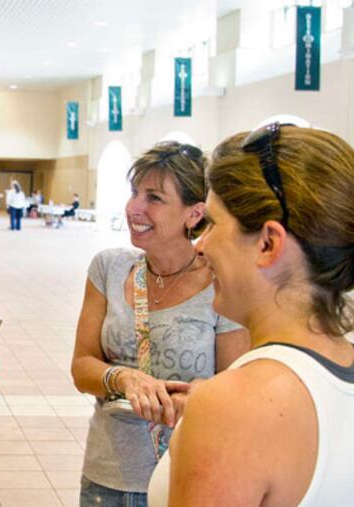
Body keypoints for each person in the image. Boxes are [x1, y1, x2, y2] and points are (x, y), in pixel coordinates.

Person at [148, 124, 354, 506]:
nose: (200, 245)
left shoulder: (233, 406)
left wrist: (220, 412)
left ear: (267, 243)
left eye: (211, 223)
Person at [71, 141, 249, 507]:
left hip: (186, 476)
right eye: (135, 193)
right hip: (108, 477)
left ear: (194, 213)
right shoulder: (109, 268)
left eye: (154, 197)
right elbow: (81, 366)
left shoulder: (222, 284)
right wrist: (124, 378)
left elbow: (235, 388)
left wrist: (193, 397)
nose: (135, 207)